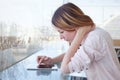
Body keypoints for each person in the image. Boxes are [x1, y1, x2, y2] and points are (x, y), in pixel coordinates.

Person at [37, 2, 120, 80]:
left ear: (73, 25)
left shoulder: (95, 38)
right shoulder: (92, 34)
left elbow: (64, 69)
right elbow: (74, 54)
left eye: (61, 32)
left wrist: (79, 35)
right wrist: (51, 60)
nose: (60, 37)